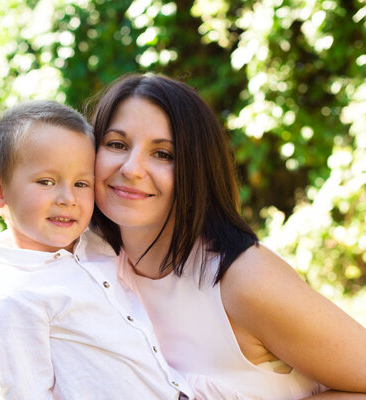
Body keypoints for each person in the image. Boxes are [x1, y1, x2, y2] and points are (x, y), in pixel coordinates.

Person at [89, 73, 366, 399]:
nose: (132, 168)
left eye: (164, 154)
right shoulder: (86, 265)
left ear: (197, 168)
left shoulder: (245, 279)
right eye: (116, 144)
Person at [0, 100, 192, 399]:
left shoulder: (97, 243)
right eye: (46, 181)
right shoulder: (17, 298)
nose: (68, 198)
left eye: (81, 183)